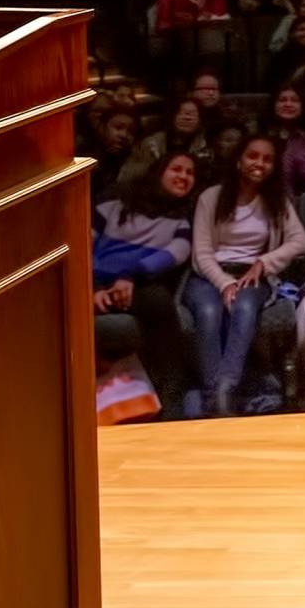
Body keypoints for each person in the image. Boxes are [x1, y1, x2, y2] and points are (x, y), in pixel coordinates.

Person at [185, 136, 305, 417]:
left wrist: (264, 263)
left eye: (267, 159)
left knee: (244, 307)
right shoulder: (211, 197)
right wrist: (224, 282)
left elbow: (300, 242)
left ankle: (224, 390)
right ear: (239, 161)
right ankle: (213, 391)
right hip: (209, 274)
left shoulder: (276, 201)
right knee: (208, 311)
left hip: (251, 275)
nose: (260, 164)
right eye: (253, 156)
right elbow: (202, 253)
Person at [92, 151, 199, 416]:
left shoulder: (181, 221)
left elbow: (177, 253)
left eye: (190, 173)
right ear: (159, 172)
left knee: (158, 301)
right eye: (177, 169)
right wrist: (92, 287)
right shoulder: (113, 204)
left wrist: (129, 275)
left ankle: (171, 403)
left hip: (138, 284)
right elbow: (81, 244)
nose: (183, 177)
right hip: (92, 281)